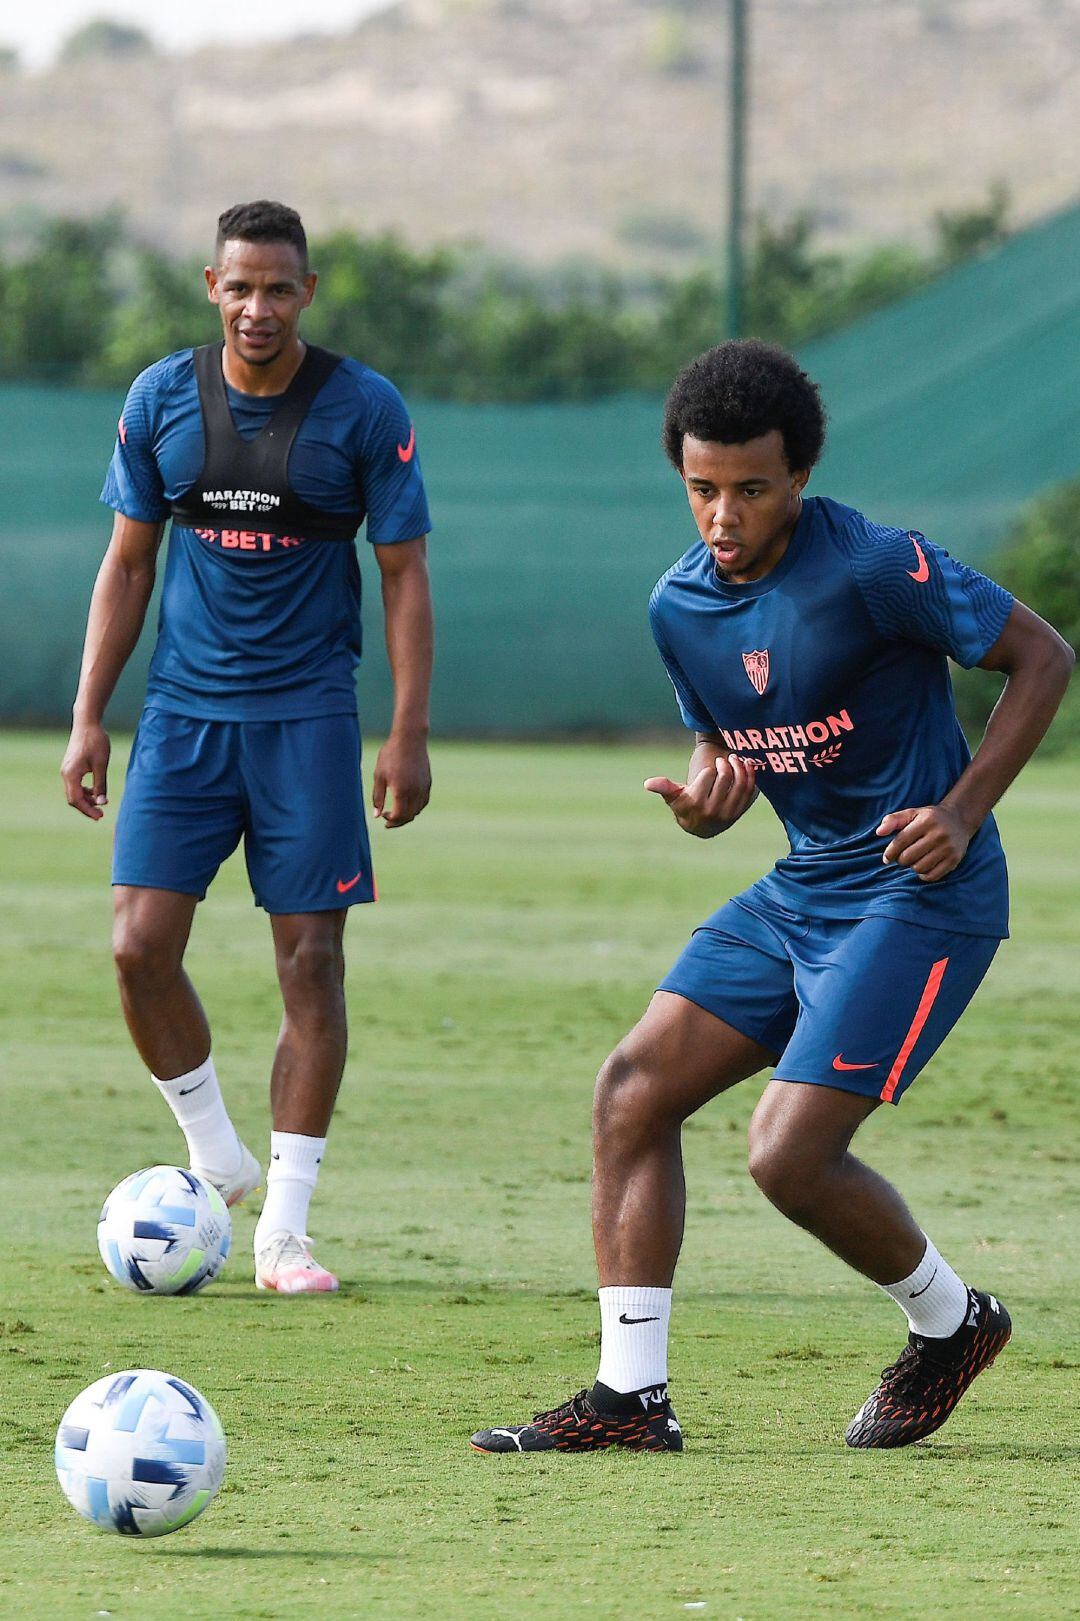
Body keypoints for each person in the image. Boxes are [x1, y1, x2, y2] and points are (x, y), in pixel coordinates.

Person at [471, 339, 1073, 1453]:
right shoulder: (677, 608)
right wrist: (712, 805)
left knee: (786, 1154)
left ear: (799, 475)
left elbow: (1043, 655)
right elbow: (730, 749)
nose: (723, 513)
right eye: (702, 488)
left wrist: (965, 806)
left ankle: (950, 1325)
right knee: (630, 1090)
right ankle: (629, 1400)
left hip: (917, 892)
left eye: (751, 488)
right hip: (803, 886)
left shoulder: (874, 565)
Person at [61, 200, 434, 1294]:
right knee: (138, 947)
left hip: (310, 719)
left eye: (280, 288)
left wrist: (406, 730)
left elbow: (405, 575)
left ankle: (285, 1227)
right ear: (211, 288)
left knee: (311, 962)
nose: (259, 306)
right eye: (241, 286)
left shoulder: (364, 408)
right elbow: (127, 565)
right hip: (181, 716)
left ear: (307, 292)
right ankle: (216, 1158)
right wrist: (90, 714)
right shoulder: (160, 399)